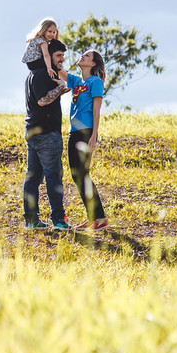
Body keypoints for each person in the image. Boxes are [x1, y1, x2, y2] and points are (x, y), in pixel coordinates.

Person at [22, 39, 73, 231]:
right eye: (58, 56)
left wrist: (60, 87)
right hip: (47, 134)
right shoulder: (43, 73)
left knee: (33, 177)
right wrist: (61, 86)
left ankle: (31, 220)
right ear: (48, 56)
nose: (62, 59)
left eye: (62, 56)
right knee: (53, 177)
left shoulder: (33, 74)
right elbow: (43, 100)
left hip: (33, 132)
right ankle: (58, 220)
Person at [64, 49, 108, 231]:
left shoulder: (95, 82)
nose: (82, 56)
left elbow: (97, 110)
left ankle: (99, 218)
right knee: (77, 174)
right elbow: (57, 70)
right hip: (73, 131)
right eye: (82, 54)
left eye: (87, 56)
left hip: (86, 131)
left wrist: (94, 135)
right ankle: (93, 218)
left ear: (93, 63)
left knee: (82, 174)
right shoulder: (76, 81)